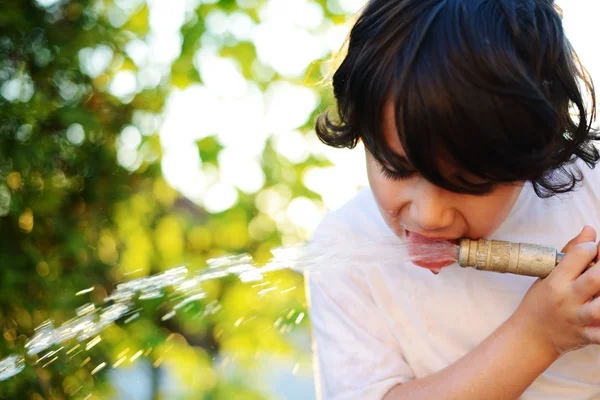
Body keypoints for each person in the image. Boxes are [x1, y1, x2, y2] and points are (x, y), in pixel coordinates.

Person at [306, 0, 600, 399]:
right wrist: (538, 335)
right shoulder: (343, 248)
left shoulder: (590, 187)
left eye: (466, 183)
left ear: (536, 156)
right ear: (362, 133)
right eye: (397, 169)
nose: (428, 216)